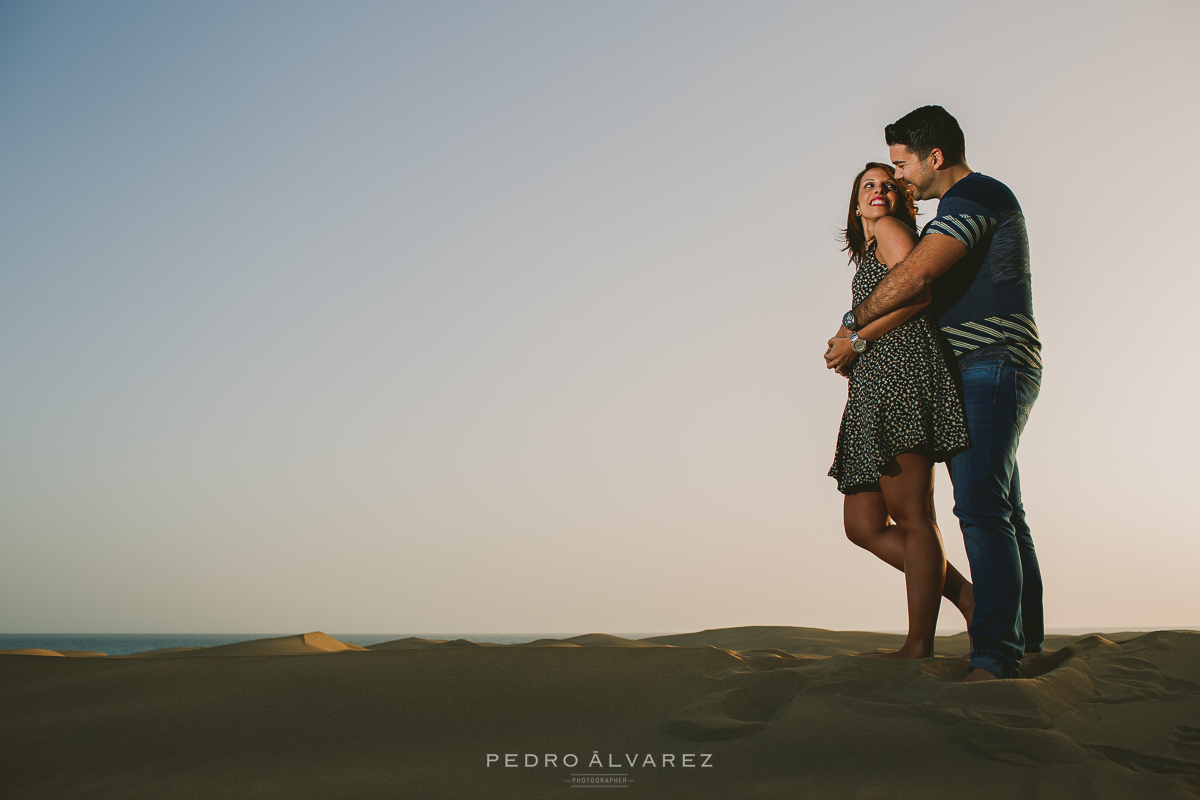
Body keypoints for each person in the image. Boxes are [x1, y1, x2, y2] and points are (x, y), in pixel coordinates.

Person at [836, 106, 1043, 682]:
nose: (897, 178)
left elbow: (914, 281)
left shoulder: (974, 197)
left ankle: (996, 656)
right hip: (967, 368)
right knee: (1003, 510)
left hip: (991, 363)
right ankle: (1025, 643)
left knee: (980, 508)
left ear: (934, 158)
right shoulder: (949, 210)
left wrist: (853, 329)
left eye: (900, 165)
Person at [825, 162, 973, 661]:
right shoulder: (870, 246)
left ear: (901, 198)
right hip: (875, 379)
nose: (879, 191)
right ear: (855, 199)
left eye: (889, 184)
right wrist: (852, 345)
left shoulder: (891, 230)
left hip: (903, 374)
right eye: (869, 185)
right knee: (863, 525)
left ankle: (919, 645)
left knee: (913, 517)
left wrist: (857, 340)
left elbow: (918, 290)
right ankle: (969, 597)